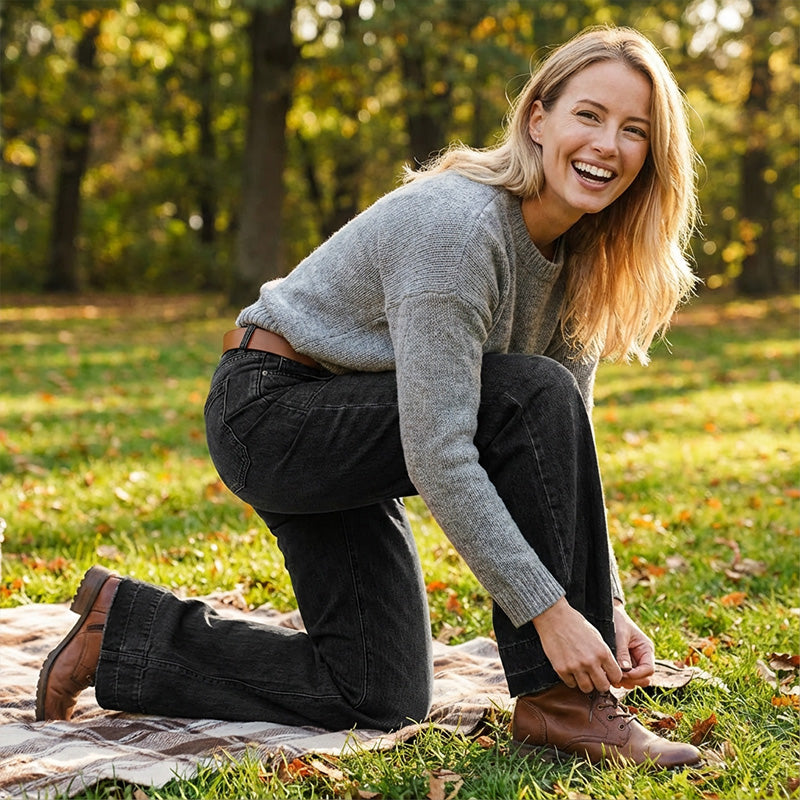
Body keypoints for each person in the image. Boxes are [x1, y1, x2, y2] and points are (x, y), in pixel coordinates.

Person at [37, 25, 702, 767]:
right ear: (538, 120)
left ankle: (121, 629)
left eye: (633, 130)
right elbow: (440, 452)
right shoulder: (461, 229)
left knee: (376, 696)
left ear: (652, 157)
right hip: (273, 413)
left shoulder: (580, 257)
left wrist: (602, 604)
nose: (608, 143)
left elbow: (564, 445)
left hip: (354, 420)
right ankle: (561, 708)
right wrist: (550, 615)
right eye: (590, 114)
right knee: (526, 392)